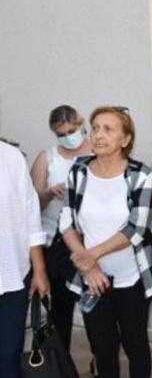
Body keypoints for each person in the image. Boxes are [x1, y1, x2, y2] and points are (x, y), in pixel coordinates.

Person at [59, 106, 152, 378]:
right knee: (103, 348)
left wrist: (91, 255)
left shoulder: (140, 174)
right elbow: (66, 222)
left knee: (135, 345)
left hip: (132, 277)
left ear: (125, 139)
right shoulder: (78, 171)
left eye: (108, 129)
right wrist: (88, 267)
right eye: (95, 128)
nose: (99, 135)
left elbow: (136, 229)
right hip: (92, 279)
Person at [29, 105, 92, 351]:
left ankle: (99, 359)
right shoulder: (48, 157)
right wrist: (48, 193)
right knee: (61, 308)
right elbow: (32, 204)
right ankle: (61, 362)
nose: (68, 137)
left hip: (91, 240)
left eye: (71, 131)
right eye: (61, 134)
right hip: (55, 241)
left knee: (96, 308)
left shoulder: (97, 150)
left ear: (80, 124)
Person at [0, 140, 49, 378]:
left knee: (9, 353)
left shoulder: (10, 157)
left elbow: (31, 213)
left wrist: (39, 269)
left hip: (12, 277)